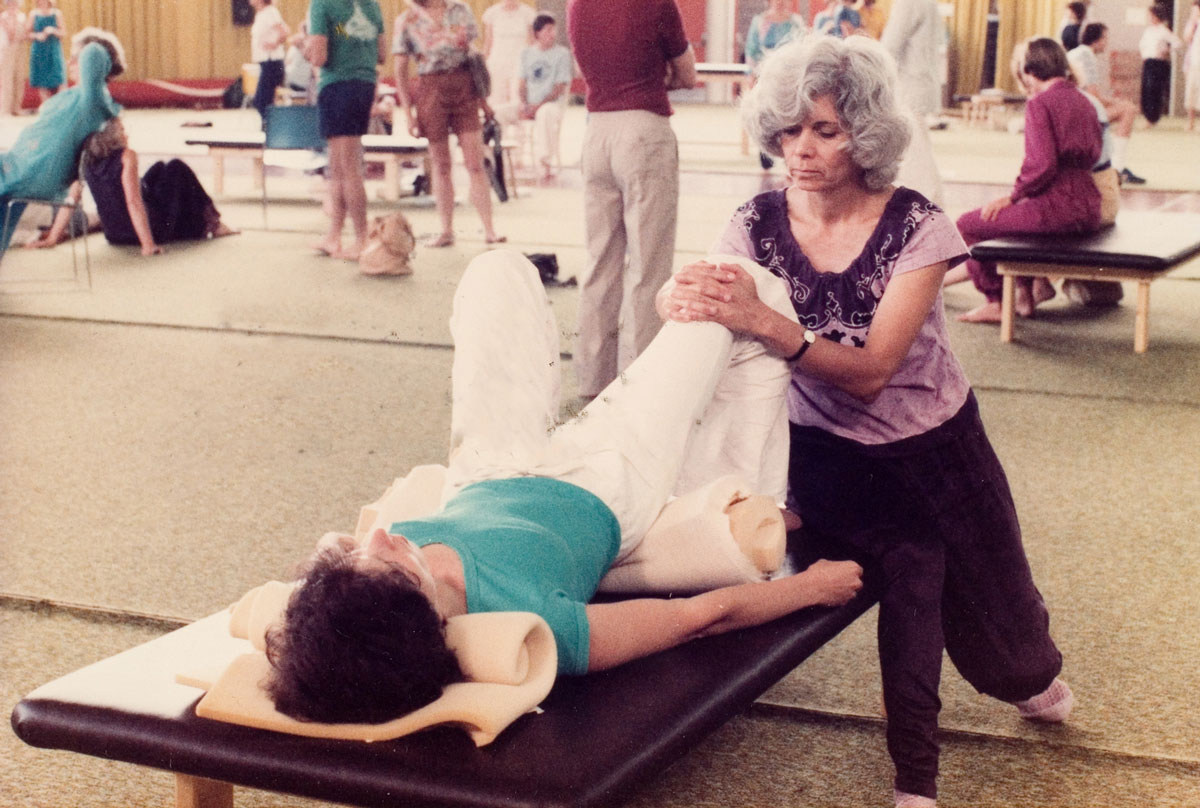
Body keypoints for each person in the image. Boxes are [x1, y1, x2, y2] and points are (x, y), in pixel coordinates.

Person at [658, 36, 1072, 808]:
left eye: (825, 131)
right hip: (827, 457)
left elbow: (876, 375)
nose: (801, 150)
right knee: (911, 567)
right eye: (788, 131)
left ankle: (1033, 673)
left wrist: (768, 324)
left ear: (866, 135)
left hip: (936, 450)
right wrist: (683, 299)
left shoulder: (918, 228)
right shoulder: (754, 223)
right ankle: (916, 780)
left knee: (1012, 661)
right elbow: (707, 306)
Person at [262, 248, 865, 725]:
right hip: (610, 482)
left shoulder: (351, 595)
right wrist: (812, 588)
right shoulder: (535, 624)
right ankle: (758, 492)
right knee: (736, 287)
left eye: (368, 555)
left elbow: (310, 598)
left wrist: (343, 567)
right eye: (390, 566)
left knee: (496, 269)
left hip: (486, 468)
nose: (384, 538)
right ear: (425, 623)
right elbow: (702, 617)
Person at [566, 0, 696, 401]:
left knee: (599, 262)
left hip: (597, 132)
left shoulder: (576, 5)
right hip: (643, 130)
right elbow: (687, 75)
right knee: (648, 266)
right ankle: (639, 385)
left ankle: (591, 380)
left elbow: (585, 70)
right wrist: (659, 75)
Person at [953, 38, 1103, 323]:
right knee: (1014, 223)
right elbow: (1093, 154)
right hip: (1089, 206)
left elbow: (1042, 165)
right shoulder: (1084, 101)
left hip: (1057, 209)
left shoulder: (1040, 103)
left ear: (1030, 70)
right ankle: (1026, 292)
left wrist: (1012, 196)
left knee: (968, 224)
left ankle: (996, 300)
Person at [26, 118, 238, 255]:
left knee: (158, 169)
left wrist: (54, 237)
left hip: (115, 234)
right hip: (146, 232)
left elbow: (71, 199)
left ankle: (209, 223)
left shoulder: (85, 160)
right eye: (122, 131)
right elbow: (133, 201)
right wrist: (148, 244)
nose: (126, 135)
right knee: (176, 168)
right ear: (112, 137)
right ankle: (215, 223)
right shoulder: (127, 156)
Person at [393, 0, 505, 248]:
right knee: (441, 164)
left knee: (475, 162)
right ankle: (446, 230)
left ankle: (489, 229)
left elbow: (474, 57)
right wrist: (407, 112)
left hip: (465, 86)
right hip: (430, 89)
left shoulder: (461, 10)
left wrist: (483, 101)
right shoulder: (407, 20)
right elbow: (400, 69)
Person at [0, 38, 121, 252]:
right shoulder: (79, 97)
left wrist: (90, 43)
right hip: (21, 167)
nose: (69, 63)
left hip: (34, 173)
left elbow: (93, 52)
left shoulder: (92, 99)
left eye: (75, 58)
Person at [304, 0, 386, 261]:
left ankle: (362, 238)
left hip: (337, 85)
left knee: (347, 167)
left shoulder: (321, 4)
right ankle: (334, 236)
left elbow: (319, 56)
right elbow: (381, 54)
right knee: (339, 167)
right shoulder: (372, 5)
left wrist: (305, 45)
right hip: (364, 84)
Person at [880, 0, 945, 205]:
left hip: (910, 85)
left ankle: (928, 208)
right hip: (919, 81)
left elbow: (889, 46)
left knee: (917, 157)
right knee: (914, 153)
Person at [1068, 22, 1146, 184]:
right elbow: (1094, 97)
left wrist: (1116, 102)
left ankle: (1113, 164)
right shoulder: (1086, 56)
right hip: (1077, 116)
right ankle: (1117, 168)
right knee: (1128, 110)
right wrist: (1120, 102)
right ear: (1096, 40)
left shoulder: (1076, 53)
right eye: (1105, 38)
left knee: (1124, 107)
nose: (1107, 42)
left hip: (1071, 111)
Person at [497, 13, 571, 179]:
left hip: (551, 104)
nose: (552, 33)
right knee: (498, 113)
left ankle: (545, 163)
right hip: (528, 104)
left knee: (545, 114)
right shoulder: (526, 53)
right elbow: (522, 83)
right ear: (537, 33)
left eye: (554, 29)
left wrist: (537, 106)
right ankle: (497, 159)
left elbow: (560, 87)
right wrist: (524, 104)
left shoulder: (562, 54)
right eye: (548, 30)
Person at [744, 0, 807, 171]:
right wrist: (752, 76)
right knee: (767, 115)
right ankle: (765, 150)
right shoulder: (759, 21)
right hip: (764, 75)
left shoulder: (795, 22)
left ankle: (790, 155)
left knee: (789, 117)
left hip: (789, 76)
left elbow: (802, 49)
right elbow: (751, 50)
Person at [480, 0, 535, 110]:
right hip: (497, 63)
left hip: (519, 65)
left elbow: (532, 43)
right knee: (496, 102)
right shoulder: (492, 13)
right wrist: (482, 64)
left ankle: (518, 127)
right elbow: (488, 42)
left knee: (518, 101)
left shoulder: (528, 13)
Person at [1139, 3, 1182, 126]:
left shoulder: (1164, 31)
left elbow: (1177, 43)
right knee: (1146, 90)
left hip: (1159, 63)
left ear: (1156, 16)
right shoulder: (1148, 31)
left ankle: (1153, 118)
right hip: (1148, 61)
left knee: (1155, 90)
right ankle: (1147, 116)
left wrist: (1167, 50)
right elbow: (1142, 45)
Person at [248, 0, 290, 123]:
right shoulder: (260, 14)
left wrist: (274, 42)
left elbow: (284, 31)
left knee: (262, 100)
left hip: (271, 61)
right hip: (265, 62)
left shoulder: (270, 12)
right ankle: (269, 126)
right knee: (261, 100)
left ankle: (271, 126)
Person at [26, 0, 65, 103]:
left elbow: (63, 33)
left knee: (58, 77)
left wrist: (53, 30)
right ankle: (46, 106)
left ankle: (60, 106)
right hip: (39, 50)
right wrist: (37, 36)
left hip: (53, 49)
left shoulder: (57, 13)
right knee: (41, 79)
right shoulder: (33, 14)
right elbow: (27, 34)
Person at [0, 0, 25, 116]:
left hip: (20, 47)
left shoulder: (22, 16)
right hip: (7, 48)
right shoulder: (3, 17)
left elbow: (25, 33)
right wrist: (11, 19)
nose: (12, 5)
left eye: (15, 2)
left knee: (19, 77)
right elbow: (10, 34)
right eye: (10, 2)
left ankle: (16, 108)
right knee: (7, 79)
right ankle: (5, 109)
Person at [1183, 0, 1200, 130]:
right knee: (1190, 92)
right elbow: (1186, 38)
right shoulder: (1192, 24)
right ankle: (1190, 122)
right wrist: (1193, 24)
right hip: (1193, 62)